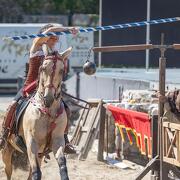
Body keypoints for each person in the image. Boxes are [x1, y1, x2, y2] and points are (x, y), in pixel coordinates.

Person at [0, 24, 79, 153]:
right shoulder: (36, 45)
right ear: (44, 36)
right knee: (13, 105)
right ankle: (4, 135)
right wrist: (68, 29)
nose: (56, 40)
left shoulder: (54, 54)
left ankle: (65, 139)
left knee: (65, 108)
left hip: (49, 89)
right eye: (53, 38)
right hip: (31, 86)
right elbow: (50, 30)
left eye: (56, 38)